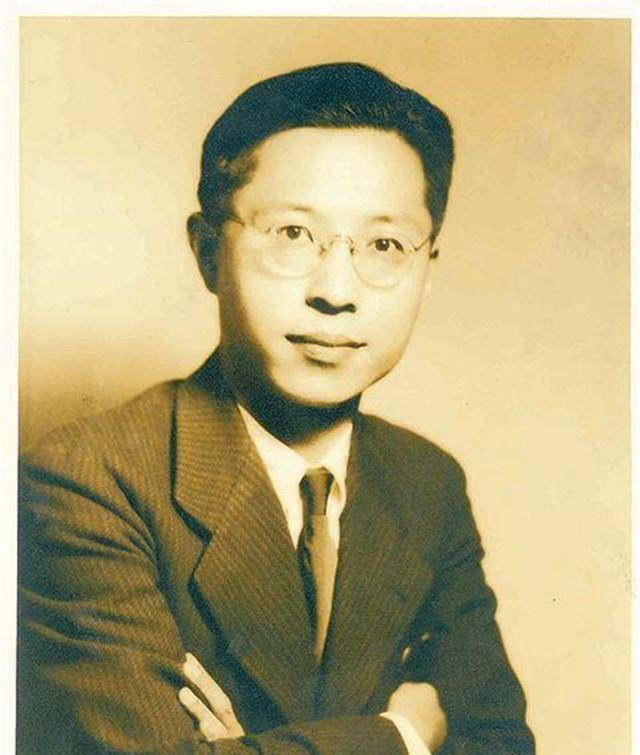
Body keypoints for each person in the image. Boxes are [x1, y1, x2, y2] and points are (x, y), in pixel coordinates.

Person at [18, 62, 535, 754]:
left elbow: (501, 742)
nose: (337, 291)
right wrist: (403, 734)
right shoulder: (86, 481)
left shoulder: (426, 481)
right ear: (208, 252)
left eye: (384, 244)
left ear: (427, 272)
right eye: (292, 234)